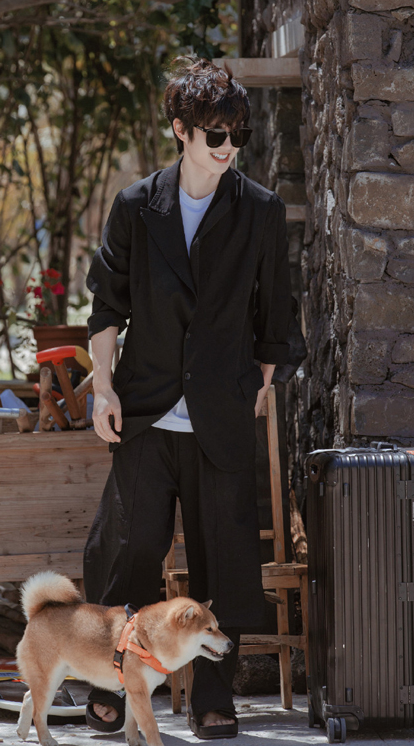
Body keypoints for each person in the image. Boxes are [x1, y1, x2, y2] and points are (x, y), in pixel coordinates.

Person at [83, 57, 292, 739]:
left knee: (222, 561)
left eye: (238, 135)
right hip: (145, 413)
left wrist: (255, 387)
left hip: (220, 418)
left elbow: (276, 319)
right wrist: (103, 391)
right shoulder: (136, 207)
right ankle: (117, 681)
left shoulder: (260, 211)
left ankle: (213, 696)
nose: (228, 147)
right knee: (129, 553)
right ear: (181, 129)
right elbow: (105, 309)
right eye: (215, 134)